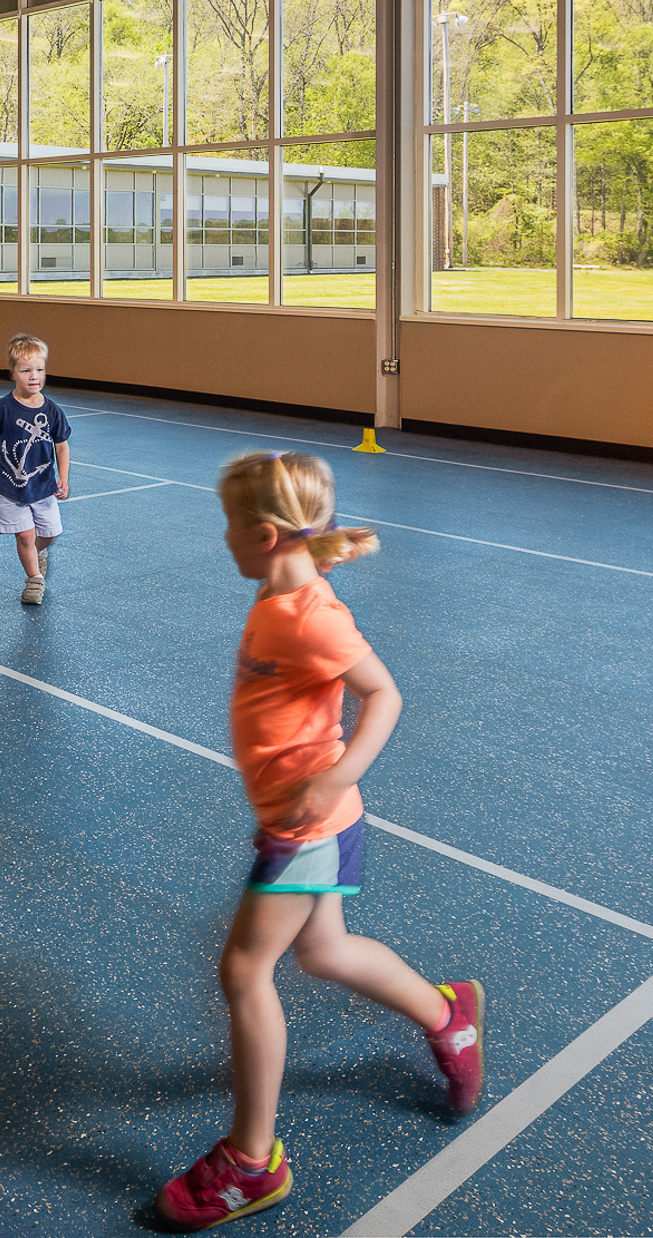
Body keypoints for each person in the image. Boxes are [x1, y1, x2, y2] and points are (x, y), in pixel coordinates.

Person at [156, 450, 485, 1230]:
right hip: (303, 821)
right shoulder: (278, 593)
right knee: (325, 952)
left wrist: (334, 779)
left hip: (306, 824)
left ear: (267, 534)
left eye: (231, 525)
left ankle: (251, 1161)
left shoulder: (311, 613)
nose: (224, 538)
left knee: (245, 970)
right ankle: (448, 1016)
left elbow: (385, 694)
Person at [0, 334, 70, 605]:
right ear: (13, 374)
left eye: (39, 370)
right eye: (26, 370)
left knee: (49, 533)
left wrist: (63, 477)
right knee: (25, 534)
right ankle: (34, 581)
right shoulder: (2, 408)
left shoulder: (52, 411)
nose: (34, 376)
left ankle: (36, 553)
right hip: (9, 485)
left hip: (43, 486)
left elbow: (62, 445)